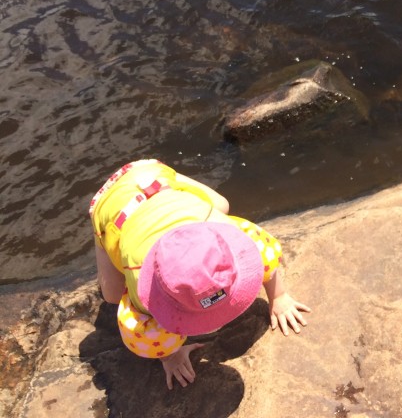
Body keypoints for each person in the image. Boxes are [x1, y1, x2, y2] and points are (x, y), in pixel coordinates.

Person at [90, 159, 311, 389]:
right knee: (113, 295)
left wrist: (279, 297)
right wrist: (170, 354)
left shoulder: (218, 225)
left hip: (152, 177)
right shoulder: (139, 276)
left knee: (222, 205)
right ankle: (102, 235)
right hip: (110, 208)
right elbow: (138, 325)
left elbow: (259, 248)